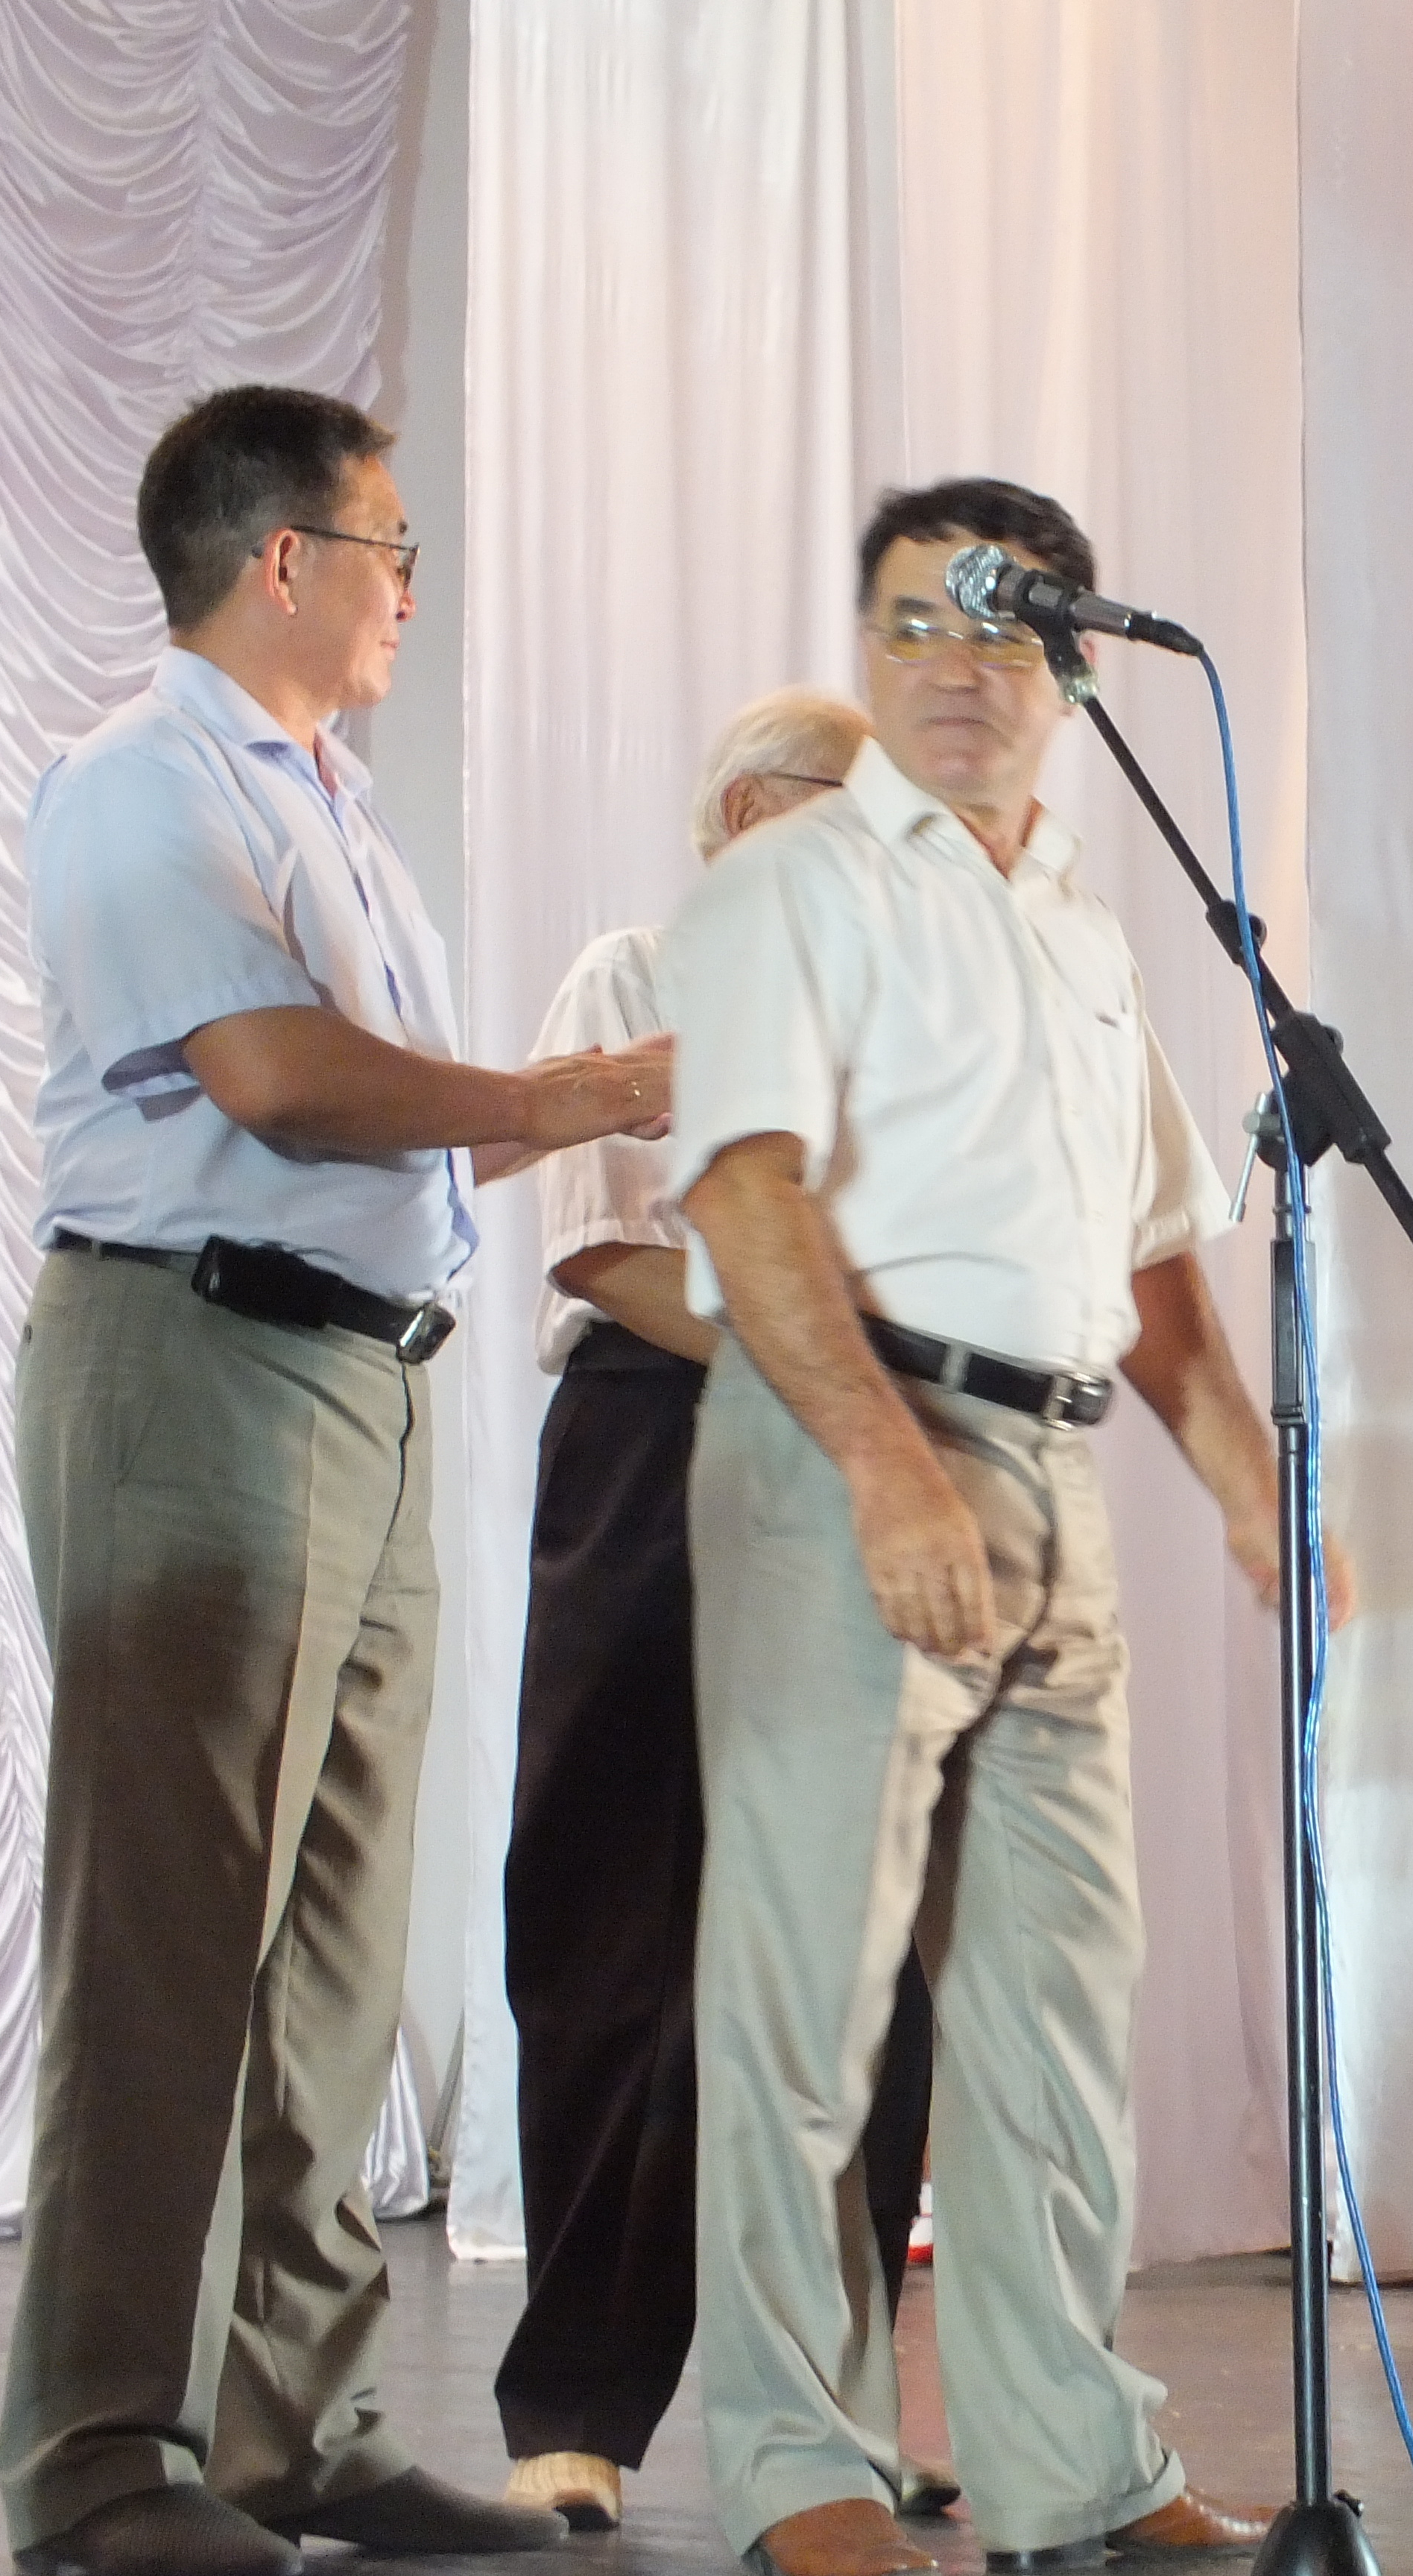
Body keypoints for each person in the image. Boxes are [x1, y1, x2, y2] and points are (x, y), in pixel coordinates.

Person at [1, 383, 671, 2576]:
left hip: (361, 1384)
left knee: (335, 1951)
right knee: (170, 1935)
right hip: (194, 1362)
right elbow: (280, 1081)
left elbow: (404, 1132)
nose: (409, 586)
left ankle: (294, 2428)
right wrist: (575, 1084)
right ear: (280, 558)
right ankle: (99, 2464)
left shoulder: (334, 811)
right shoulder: (143, 781)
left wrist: (592, 1103)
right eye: (391, 545)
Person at [668, 478, 1303, 2576]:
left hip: (1057, 1464)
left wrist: (1247, 1482)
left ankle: (1075, 2468)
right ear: (866, 650)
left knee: (1057, 2008)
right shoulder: (792, 885)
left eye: (999, 622)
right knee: (805, 1996)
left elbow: (1153, 1248)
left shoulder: (1090, 930)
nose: (952, 663)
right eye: (911, 622)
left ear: (1077, 663)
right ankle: (804, 2466)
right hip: (855, 1435)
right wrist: (883, 1463)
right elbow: (745, 1187)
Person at [490, 690, 952, 2534]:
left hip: (854, 1474)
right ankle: (576, 2403)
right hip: (658, 1447)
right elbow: (606, 1248)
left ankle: (836, 2414)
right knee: (615, 1920)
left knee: (863, 1958)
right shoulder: (633, 973)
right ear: (752, 815)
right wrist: (828, 1364)